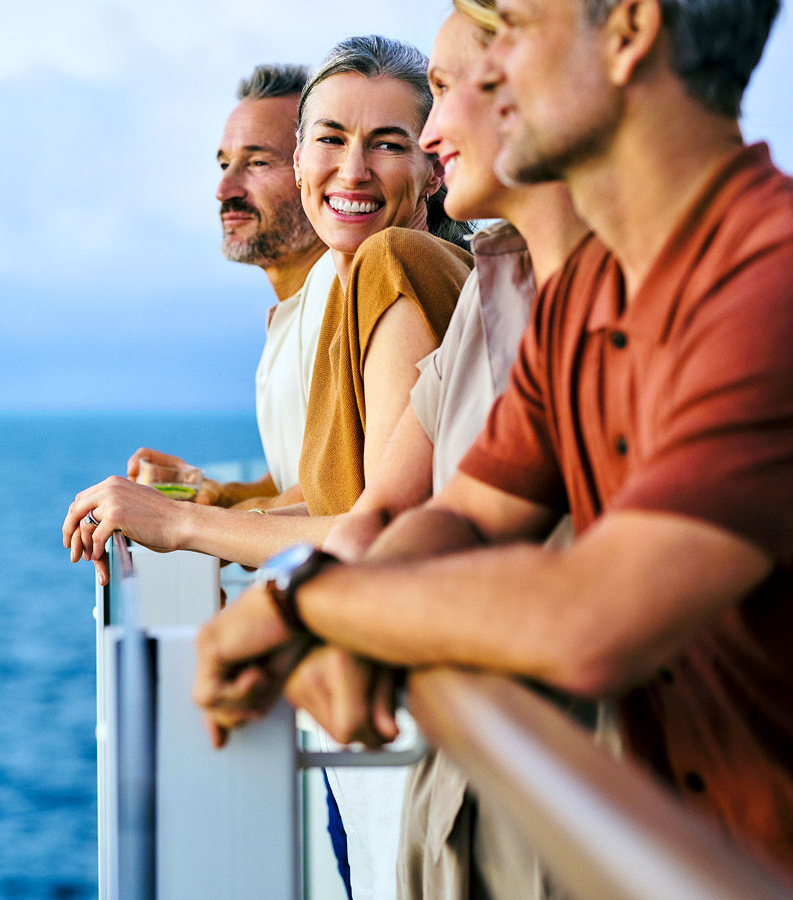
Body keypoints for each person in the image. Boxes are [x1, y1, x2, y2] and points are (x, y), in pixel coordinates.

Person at [194, 0, 793, 878]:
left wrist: (306, 608)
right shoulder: (582, 295)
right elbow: (466, 514)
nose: (477, 86)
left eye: (508, 28)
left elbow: (597, 614)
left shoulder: (764, 288)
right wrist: (340, 602)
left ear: (627, 33)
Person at [291, 6, 588, 898]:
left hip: (552, 790)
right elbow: (415, 510)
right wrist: (302, 616)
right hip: (455, 779)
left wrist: (187, 529)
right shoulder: (489, 285)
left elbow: (392, 514)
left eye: (446, 96)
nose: (428, 132)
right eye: (331, 137)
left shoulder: (403, 268)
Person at [63, 37, 471, 581]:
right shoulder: (354, 295)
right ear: (304, 159)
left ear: (435, 168)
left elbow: (382, 532)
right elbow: (342, 506)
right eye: (332, 138)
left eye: (389, 145)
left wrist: (180, 522)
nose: (353, 171)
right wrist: (200, 502)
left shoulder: (392, 260)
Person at [131, 64, 335, 513]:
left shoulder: (336, 290)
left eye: (258, 162)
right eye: (225, 164)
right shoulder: (295, 311)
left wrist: (182, 522)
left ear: (316, 171)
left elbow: (332, 496)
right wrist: (217, 494)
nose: (224, 189)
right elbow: (298, 477)